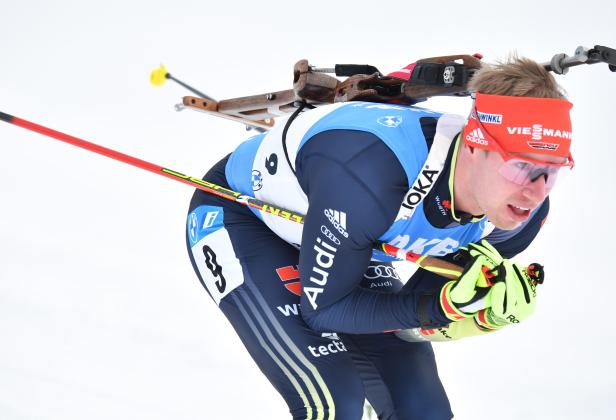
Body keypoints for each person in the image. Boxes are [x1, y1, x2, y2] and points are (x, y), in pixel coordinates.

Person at [185, 56, 573, 420]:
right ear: (474, 145)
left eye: (551, 171)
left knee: (423, 410)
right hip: (245, 218)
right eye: (521, 167)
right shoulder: (371, 177)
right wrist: (441, 306)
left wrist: (472, 312)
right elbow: (325, 311)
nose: (536, 192)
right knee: (334, 401)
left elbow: (413, 314)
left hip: (355, 241)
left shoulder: (517, 218)